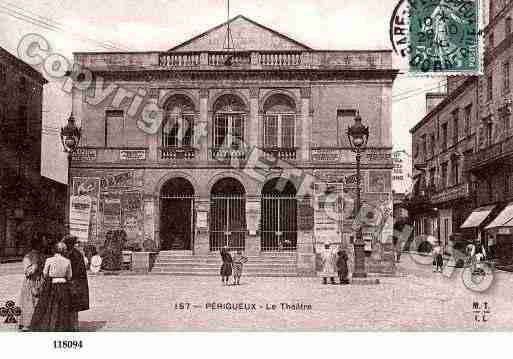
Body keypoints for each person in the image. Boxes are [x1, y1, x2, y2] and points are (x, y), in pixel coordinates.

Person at [30, 242, 73, 331]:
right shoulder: (67, 261)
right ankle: (61, 327)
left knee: (48, 306)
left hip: (51, 285)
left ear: (55, 249)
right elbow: (69, 276)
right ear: (64, 250)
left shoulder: (49, 260)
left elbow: (45, 273)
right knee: (62, 307)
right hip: (63, 285)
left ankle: (48, 325)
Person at [18, 237, 45, 331]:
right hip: (31, 281)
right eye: (40, 245)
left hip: (38, 280)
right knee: (29, 302)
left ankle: (34, 322)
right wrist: (36, 266)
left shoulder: (40, 255)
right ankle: (26, 323)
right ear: (36, 245)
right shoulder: (28, 256)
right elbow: (27, 272)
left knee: (36, 302)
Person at [64, 236, 90, 331]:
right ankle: (73, 327)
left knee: (72, 306)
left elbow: (75, 270)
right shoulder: (76, 253)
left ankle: (72, 327)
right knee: (73, 307)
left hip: (73, 283)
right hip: (76, 283)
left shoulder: (73, 254)